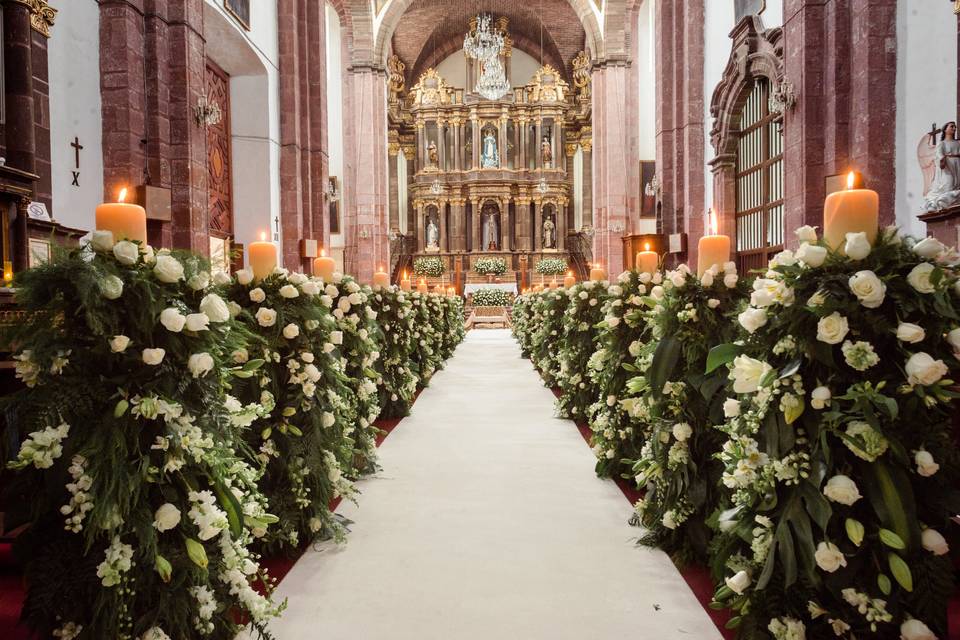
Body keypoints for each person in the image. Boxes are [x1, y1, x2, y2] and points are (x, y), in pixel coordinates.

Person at [924, 121, 960, 212]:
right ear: (945, 129)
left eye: (955, 127)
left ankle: (953, 201)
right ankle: (939, 202)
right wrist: (942, 159)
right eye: (951, 127)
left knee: (957, 184)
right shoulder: (942, 143)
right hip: (947, 164)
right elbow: (939, 153)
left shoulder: (957, 143)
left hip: (957, 164)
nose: (954, 129)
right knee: (948, 182)